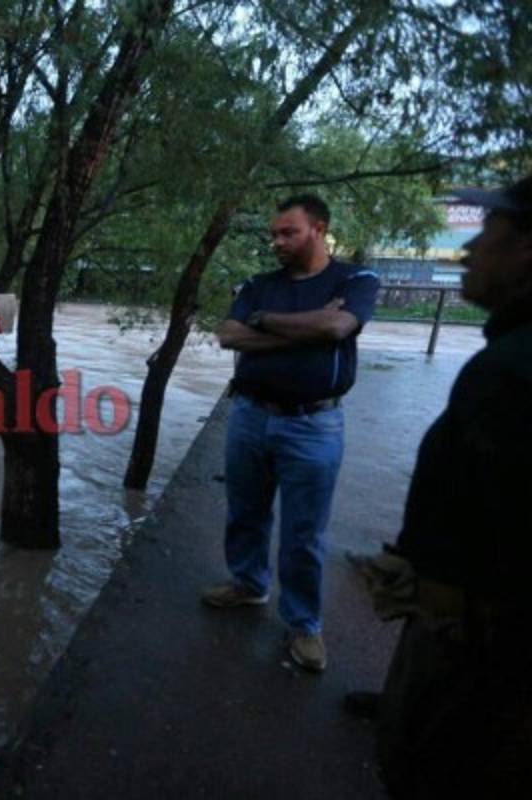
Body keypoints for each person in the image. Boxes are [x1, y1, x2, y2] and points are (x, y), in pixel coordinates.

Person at [361, 175, 532, 797]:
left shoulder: (510, 374)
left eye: (487, 232)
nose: (466, 249)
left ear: (526, 251)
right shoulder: (506, 359)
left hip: (476, 658)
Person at [202, 194, 380, 673]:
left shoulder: (355, 280)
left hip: (313, 424)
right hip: (249, 415)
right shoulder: (260, 284)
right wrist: (305, 327)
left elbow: (338, 326)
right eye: (274, 234)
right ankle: (248, 584)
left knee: (304, 531)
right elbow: (227, 335)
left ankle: (304, 624)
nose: (276, 241)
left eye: (288, 232)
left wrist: (264, 322)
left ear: (319, 229)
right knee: (245, 512)